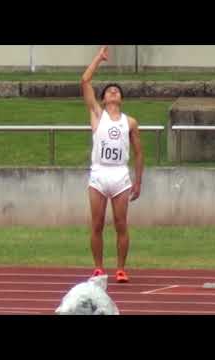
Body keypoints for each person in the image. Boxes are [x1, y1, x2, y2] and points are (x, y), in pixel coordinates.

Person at [81, 46, 144, 283]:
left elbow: (139, 153)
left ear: (121, 98)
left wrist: (138, 181)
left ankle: (120, 269)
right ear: (104, 99)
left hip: (120, 175)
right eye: (109, 90)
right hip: (99, 173)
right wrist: (98, 58)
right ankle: (98, 268)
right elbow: (85, 80)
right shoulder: (98, 114)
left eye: (117, 90)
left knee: (121, 224)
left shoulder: (131, 122)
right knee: (97, 223)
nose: (113, 91)